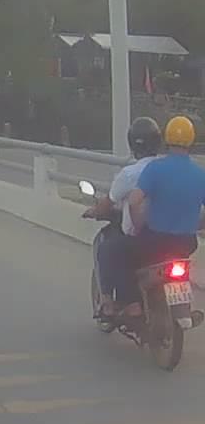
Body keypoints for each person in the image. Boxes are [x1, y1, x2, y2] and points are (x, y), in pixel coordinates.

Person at [117, 116, 205, 317]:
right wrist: (198, 224)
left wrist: (138, 225)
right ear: (192, 141)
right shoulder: (200, 174)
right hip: (186, 243)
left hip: (155, 240)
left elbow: (134, 201)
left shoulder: (155, 169)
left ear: (166, 140)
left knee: (124, 254)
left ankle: (133, 303)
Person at [83, 117, 163, 317]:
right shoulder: (166, 168)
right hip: (170, 235)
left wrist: (94, 211)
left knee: (108, 248)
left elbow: (108, 203)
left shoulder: (129, 173)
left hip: (143, 236)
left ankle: (111, 303)